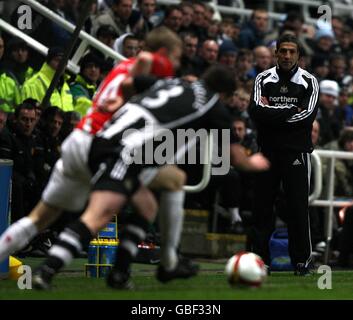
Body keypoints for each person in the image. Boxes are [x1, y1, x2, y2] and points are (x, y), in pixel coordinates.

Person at [30, 65, 270, 290]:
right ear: (226, 95)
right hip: (122, 152)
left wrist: (120, 102)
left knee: (148, 205)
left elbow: (129, 82)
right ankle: (47, 270)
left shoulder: (173, 83)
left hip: (118, 143)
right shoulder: (213, 105)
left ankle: (121, 273)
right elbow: (237, 158)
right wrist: (255, 163)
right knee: (97, 216)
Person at [0, 26, 184, 280]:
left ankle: (124, 271)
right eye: (175, 56)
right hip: (98, 146)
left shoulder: (121, 67)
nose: (175, 63)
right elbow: (141, 70)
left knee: (39, 219)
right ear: (163, 53)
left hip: (78, 139)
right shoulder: (147, 66)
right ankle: (165, 262)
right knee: (168, 182)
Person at [248, 34, 319, 275]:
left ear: (299, 55)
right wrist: (290, 109)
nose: (287, 55)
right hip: (267, 153)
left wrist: (272, 113)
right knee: (261, 208)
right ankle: (259, 261)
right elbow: (256, 111)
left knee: (298, 208)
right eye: (283, 51)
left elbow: (307, 117)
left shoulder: (310, 81)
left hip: (296, 153)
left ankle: (301, 261)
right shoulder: (262, 79)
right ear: (276, 53)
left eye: (291, 51)